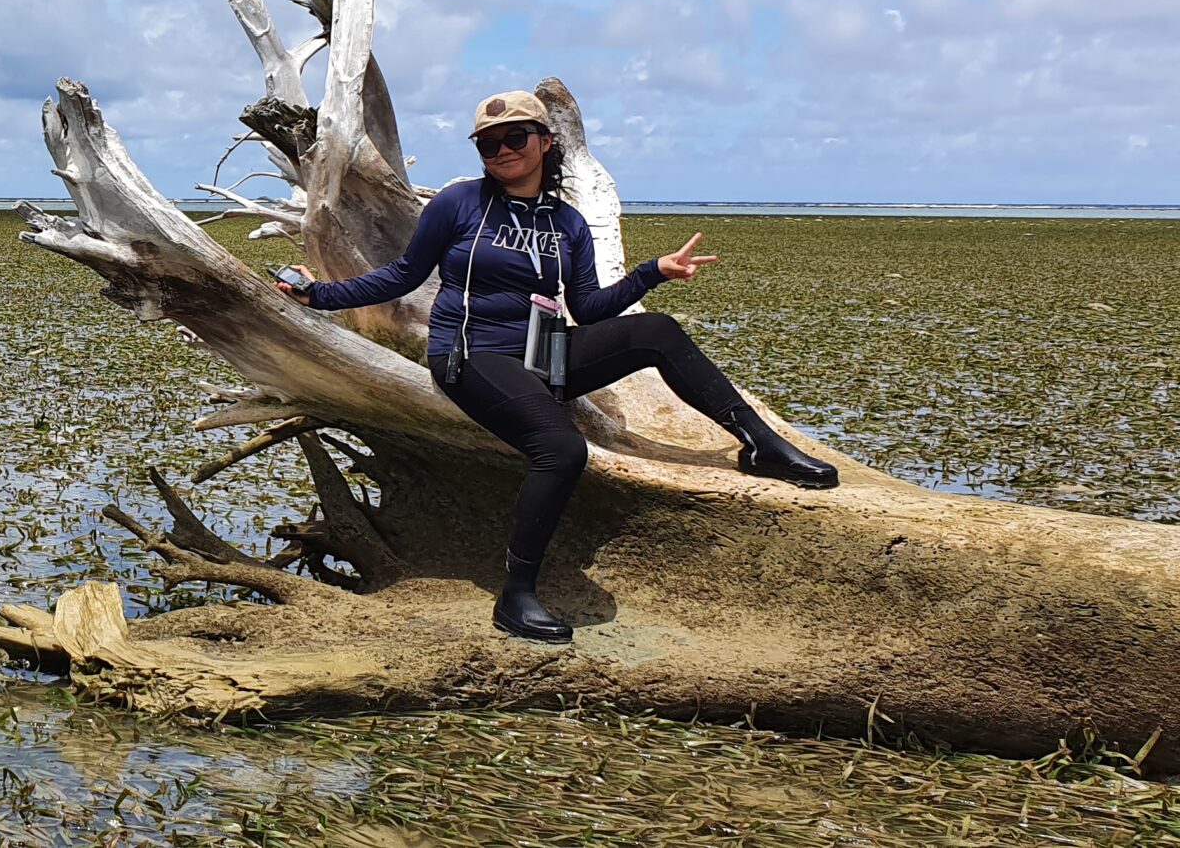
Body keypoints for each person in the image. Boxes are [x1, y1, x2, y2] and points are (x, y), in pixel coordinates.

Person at [273, 89, 837, 644]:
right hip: (472, 354)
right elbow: (403, 275)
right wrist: (319, 296)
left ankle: (761, 445)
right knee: (562, 448)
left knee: (658, 331)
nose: (501, 151)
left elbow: (586, 307)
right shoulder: (460, 203)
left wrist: (651, 273)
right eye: (488, 144)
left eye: (514, 137)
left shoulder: (566, 222)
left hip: (544, 352)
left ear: (545, 141)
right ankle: (516, 595)